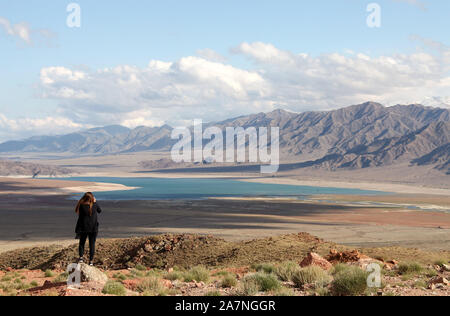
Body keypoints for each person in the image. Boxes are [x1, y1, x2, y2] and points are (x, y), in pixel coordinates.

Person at [75, 192, 102, 266]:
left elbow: (80, 217)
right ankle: (91, 261)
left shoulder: (81, 205)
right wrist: (95, 202)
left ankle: (81, 258)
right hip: (93, 229)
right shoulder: (95, 205)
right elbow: (100, 211)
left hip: (84, 228)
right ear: (92, 198)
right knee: (92, 244)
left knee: (82, 243)